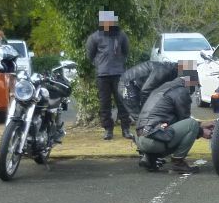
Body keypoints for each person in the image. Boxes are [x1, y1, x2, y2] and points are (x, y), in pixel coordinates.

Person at [134, 67, 212, 174]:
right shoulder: (181, 91)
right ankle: (178, 162)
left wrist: (203, 124)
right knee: (192, 125)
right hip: (153, 139)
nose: (195, 89)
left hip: (140, 137)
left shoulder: (164, 87)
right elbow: (186, 122)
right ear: (191, 81)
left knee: (184, 125)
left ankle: (150, 158)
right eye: (196, 85)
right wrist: (202, 131)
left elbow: (172, 119)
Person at [86, 10, 132, 140]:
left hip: (119, 74)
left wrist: (120, 63)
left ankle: (126, 129)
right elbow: (90, 55)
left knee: (122, 102)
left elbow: (126, 51)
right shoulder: (95, 37)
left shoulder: (121, 35)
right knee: (104, 104)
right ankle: (108, 130)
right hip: (103, 75)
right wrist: (99, 64)